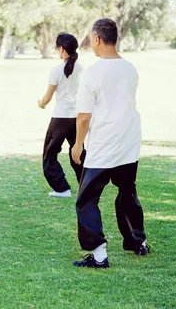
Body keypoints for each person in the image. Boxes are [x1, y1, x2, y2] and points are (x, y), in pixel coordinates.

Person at [71, 18, 149, 268]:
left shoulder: (92, 72)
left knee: (86, 199)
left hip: (104, 143)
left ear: (96, 39)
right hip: (129, 141)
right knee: (127, 191)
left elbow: (84, 116)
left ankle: (99, 254)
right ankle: (138, 242)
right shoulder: (130, 68)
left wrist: (77, 145)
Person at [37, 33, 85, 198]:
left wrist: (41, 104)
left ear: (62, 49)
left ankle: (62, 189)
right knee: (78, 152)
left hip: (60, 118)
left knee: (49, 155)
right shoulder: (82, 70)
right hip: (77, 117)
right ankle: (85, 186)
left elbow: (47, 97)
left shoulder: (57, 71)